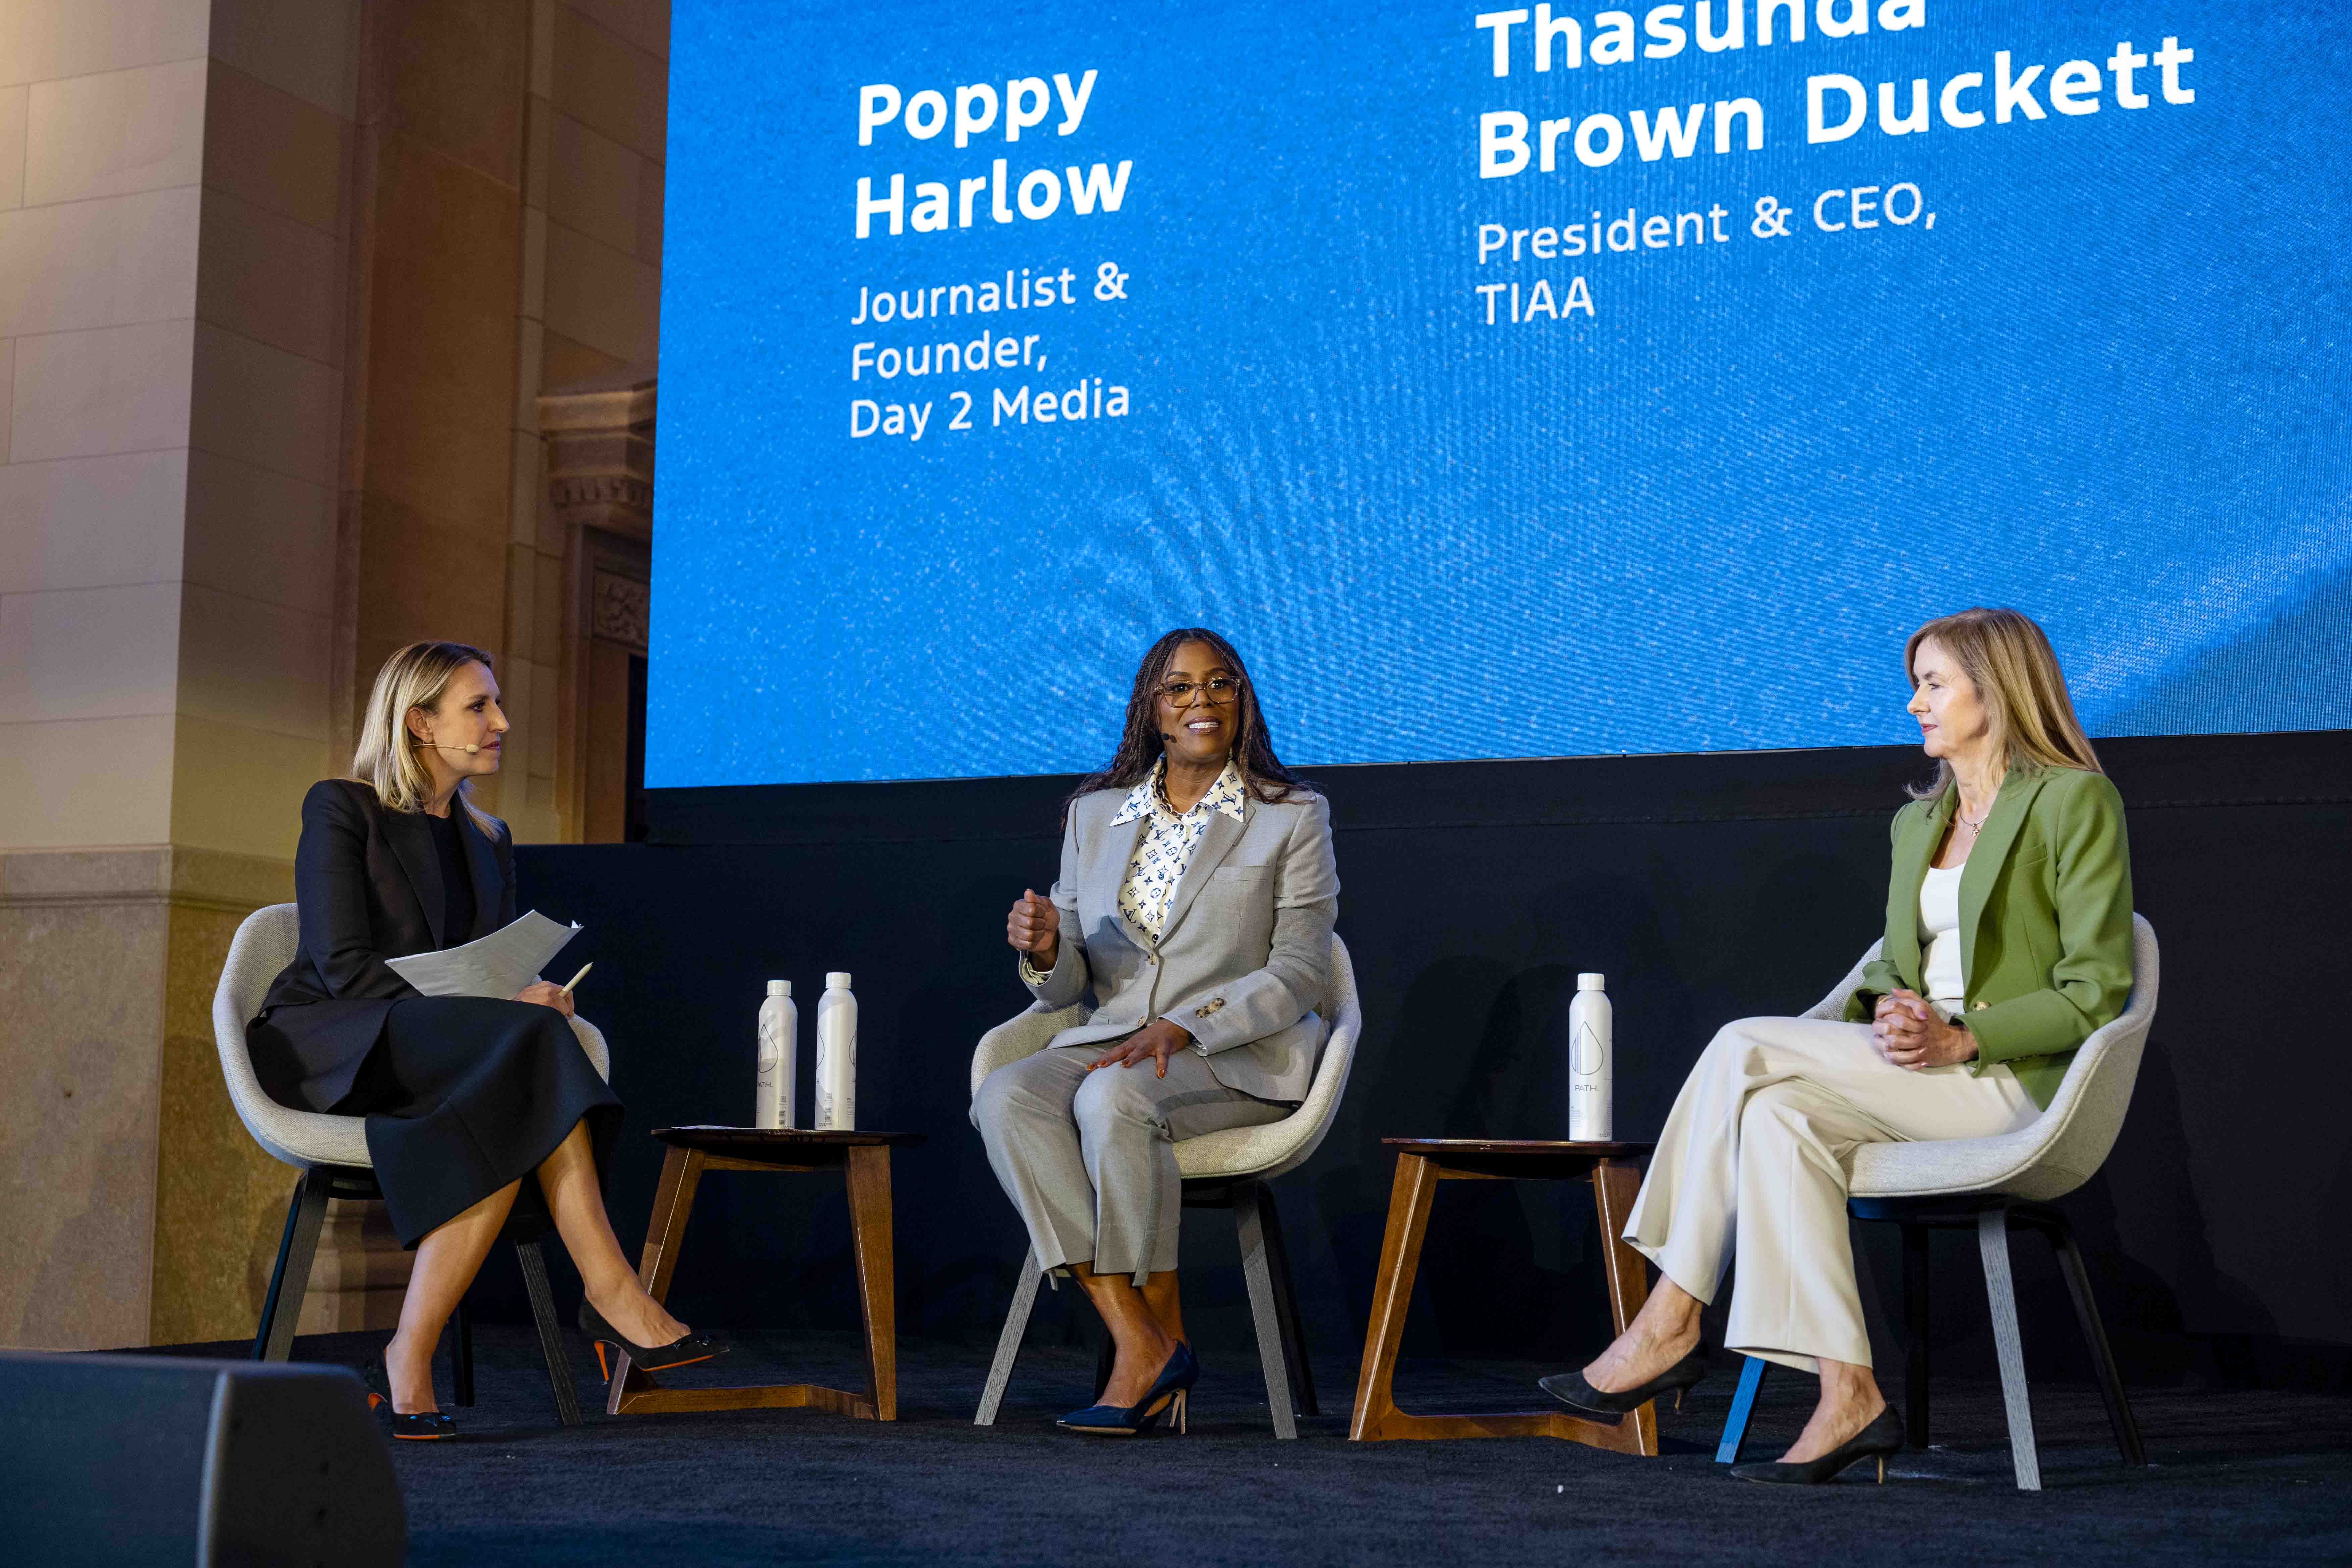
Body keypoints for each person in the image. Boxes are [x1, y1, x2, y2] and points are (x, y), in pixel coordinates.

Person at [1538, 607, 2134, 1484]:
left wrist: (1962, 1033)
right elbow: (1894, 966)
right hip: (1911, 1074)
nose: (1914, 705)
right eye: (1916, 685)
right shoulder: (1915, 827)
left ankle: (1669, 1317)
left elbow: (2097, 993)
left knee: (1744, 1046)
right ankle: (1849, 1394)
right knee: (1777, 1117)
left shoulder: (2075, 801)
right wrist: (1894, 1010)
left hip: (2007, 1085)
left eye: (1933, 684)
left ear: (1997, 688)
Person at [247, 641, 723, 1438]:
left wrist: (524, 993)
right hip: (334, 1040)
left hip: (447, 1051)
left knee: (516, 1068)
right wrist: (503, 1006)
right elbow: (343, 969)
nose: (501, 722)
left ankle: (410, 1355)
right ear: (419, 722)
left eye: (498, 703)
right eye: (479, 706)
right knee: (521, 1051)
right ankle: (612, 1291)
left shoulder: (489, 837)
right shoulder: (341, 807)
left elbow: (483, 966)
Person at [975, 628, 1340, 1436]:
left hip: (1234, 1054)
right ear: (1153, 707)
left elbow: (1304, 971)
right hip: (1111, 1040)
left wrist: (1187, 1023)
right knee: (1006, 1095)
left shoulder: (1292, 816)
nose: (1201, 700)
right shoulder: (1093, 815)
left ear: (1243, 701)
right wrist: (1043, 948)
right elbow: (1071, 982)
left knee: (1114, 1099)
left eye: (1221, 684)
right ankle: (1140, 1335)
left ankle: (1145, 1354)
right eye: (1180, 688)